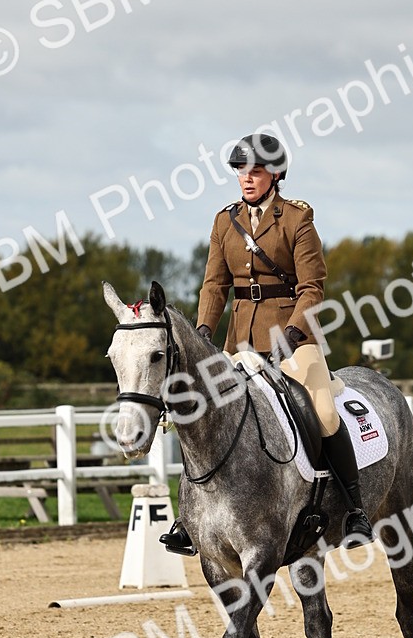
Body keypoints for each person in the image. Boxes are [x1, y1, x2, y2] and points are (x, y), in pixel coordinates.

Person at [160, 131, 374, 556]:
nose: (246, 178)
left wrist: (293, 333)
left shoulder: (296, 220)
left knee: (324, 412)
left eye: (255, 171)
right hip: (238, 340)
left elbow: (313, 287)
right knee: (202, 414)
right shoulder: (225, 221)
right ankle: (190, 519)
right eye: (241, 170)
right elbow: (214, 285)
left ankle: (353, 509)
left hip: (293, 338)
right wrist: (204, 330)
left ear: (275, 174)